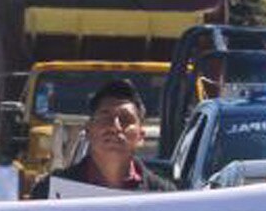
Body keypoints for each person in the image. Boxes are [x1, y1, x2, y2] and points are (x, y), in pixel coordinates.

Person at [30, 79, 178, 197]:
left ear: (140, 136)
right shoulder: (48, 191)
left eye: (126, 119)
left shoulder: (165, 195)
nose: (115, 127)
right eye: (105, 118)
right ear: (88, 131)